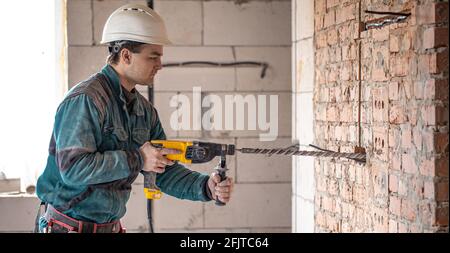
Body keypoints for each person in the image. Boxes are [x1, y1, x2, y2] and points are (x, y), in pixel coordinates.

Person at [35, 3, 234, 233]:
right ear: (126, 55)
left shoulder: (145, 111)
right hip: (66, 228)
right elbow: (74, 169)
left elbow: (163, 170)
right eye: (153, 57)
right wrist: (138, 158)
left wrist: (206, 187)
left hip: (109, 228)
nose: (159, 65)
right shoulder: (86, 101)